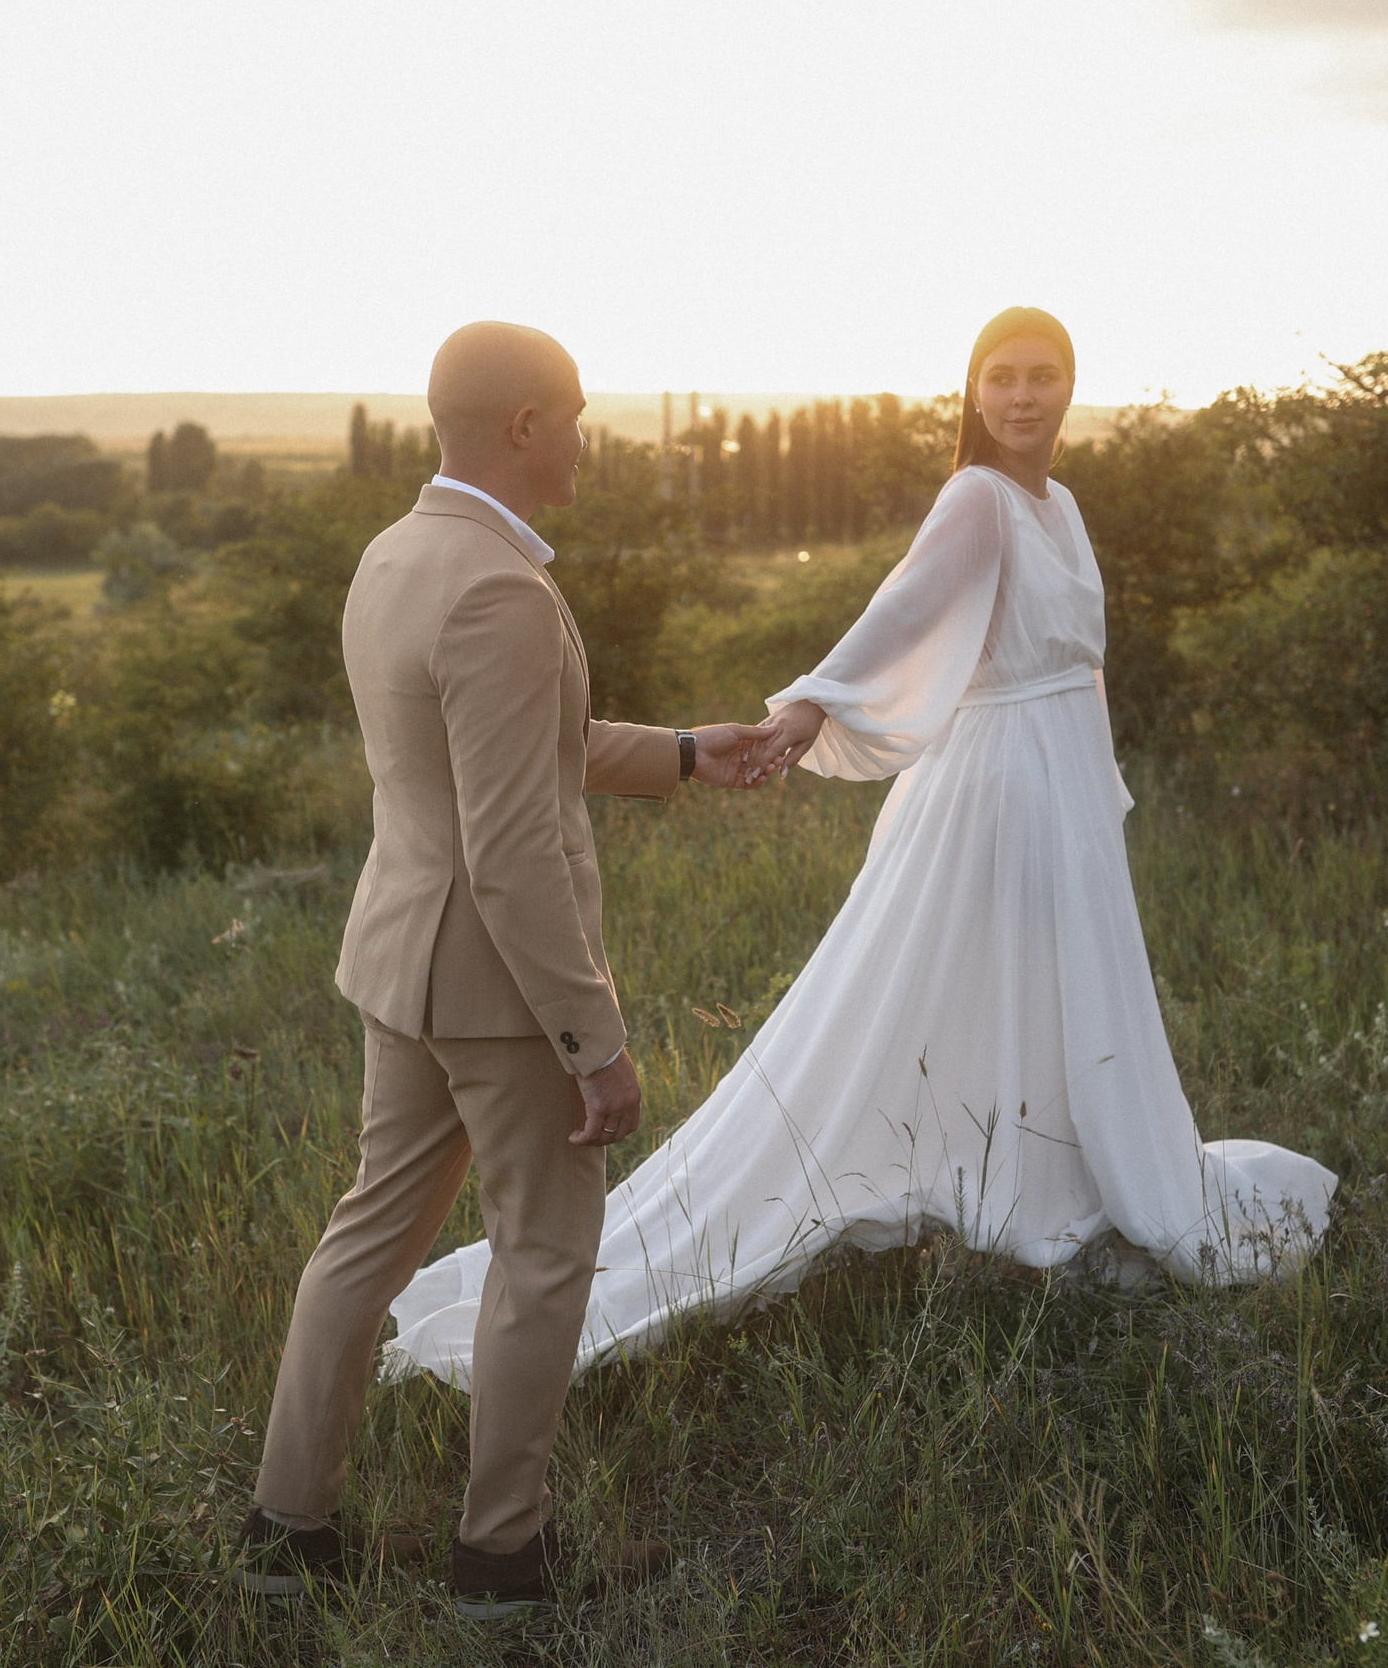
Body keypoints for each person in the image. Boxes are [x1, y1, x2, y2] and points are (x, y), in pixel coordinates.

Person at [384, 306, 1337, 1394]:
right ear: (974, 395)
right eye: (1003, 378)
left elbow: (1082, 664)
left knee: (1052, 986)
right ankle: (1001, 1190)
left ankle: (1050, 1176)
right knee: (953, 988)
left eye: (1044, 377)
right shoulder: (976, 497)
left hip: (1062, 778)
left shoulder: (1059, 504)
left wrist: (1098, 782)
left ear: (1070, 389)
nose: (1024, 397)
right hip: (1000, 785)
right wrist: (805, 710)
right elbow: (903, 612)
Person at [238, 321, 775, 1618]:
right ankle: (501, 1559)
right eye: (578, 412)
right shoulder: (501, 587)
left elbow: (536, 744)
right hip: (501, 993)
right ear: (527, 424)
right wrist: (594, 1037)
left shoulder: (399, 553)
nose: (590, 435)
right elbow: (514, 843)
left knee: (363, 1239)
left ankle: (285, 1523)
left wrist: (695, 752)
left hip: (400, 966)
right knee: (543, 1253)